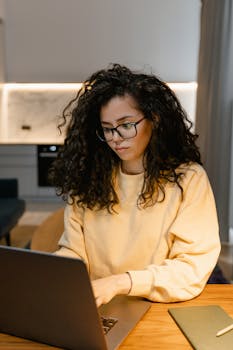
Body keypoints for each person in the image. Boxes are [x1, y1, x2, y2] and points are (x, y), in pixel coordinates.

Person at [49, 63, 220, 307]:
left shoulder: (188, 179)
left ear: (154, 119)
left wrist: (121, 283)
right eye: (107, 129)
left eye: (126, 125)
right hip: (97, 309)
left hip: (158, 307)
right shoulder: (89, 178)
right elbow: (74, 253)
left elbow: (191, 269)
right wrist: (57, 276)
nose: (115, 138)